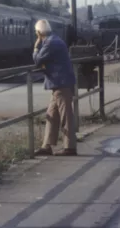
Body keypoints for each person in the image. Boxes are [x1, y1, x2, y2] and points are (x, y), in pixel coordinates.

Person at [33, 19, 78, 157]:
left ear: (39, 33)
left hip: (61, 84)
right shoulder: (55, 39)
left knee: (66, 116)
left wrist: (36, 48)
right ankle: (47, 146)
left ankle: (70, 148)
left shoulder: (50, 43)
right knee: (51, 115)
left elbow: (37, 60)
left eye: (36, 33)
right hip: (59, 84)